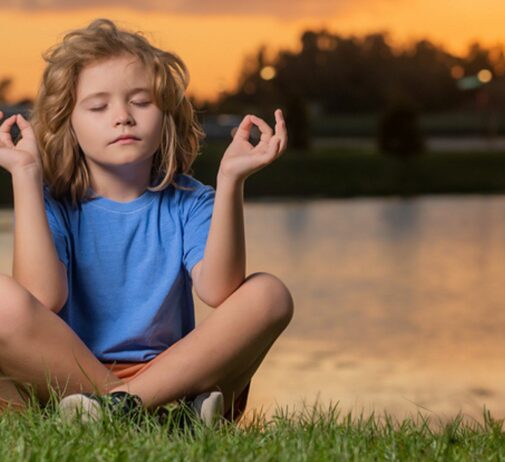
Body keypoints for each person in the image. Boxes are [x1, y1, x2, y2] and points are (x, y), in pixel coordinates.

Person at [0, 18, 293, 425]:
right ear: (68, 122)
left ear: (167, 115)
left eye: (141, 101)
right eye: (99, 106)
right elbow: (41, 299)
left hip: (171, 374)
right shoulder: (55, 205)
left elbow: (218, 290)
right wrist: (26, 178)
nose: (123, 117)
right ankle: (146, 413)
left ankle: (124, 407)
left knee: (270, 294)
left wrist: (230, 181)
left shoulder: (190, 202)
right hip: (69, 377)